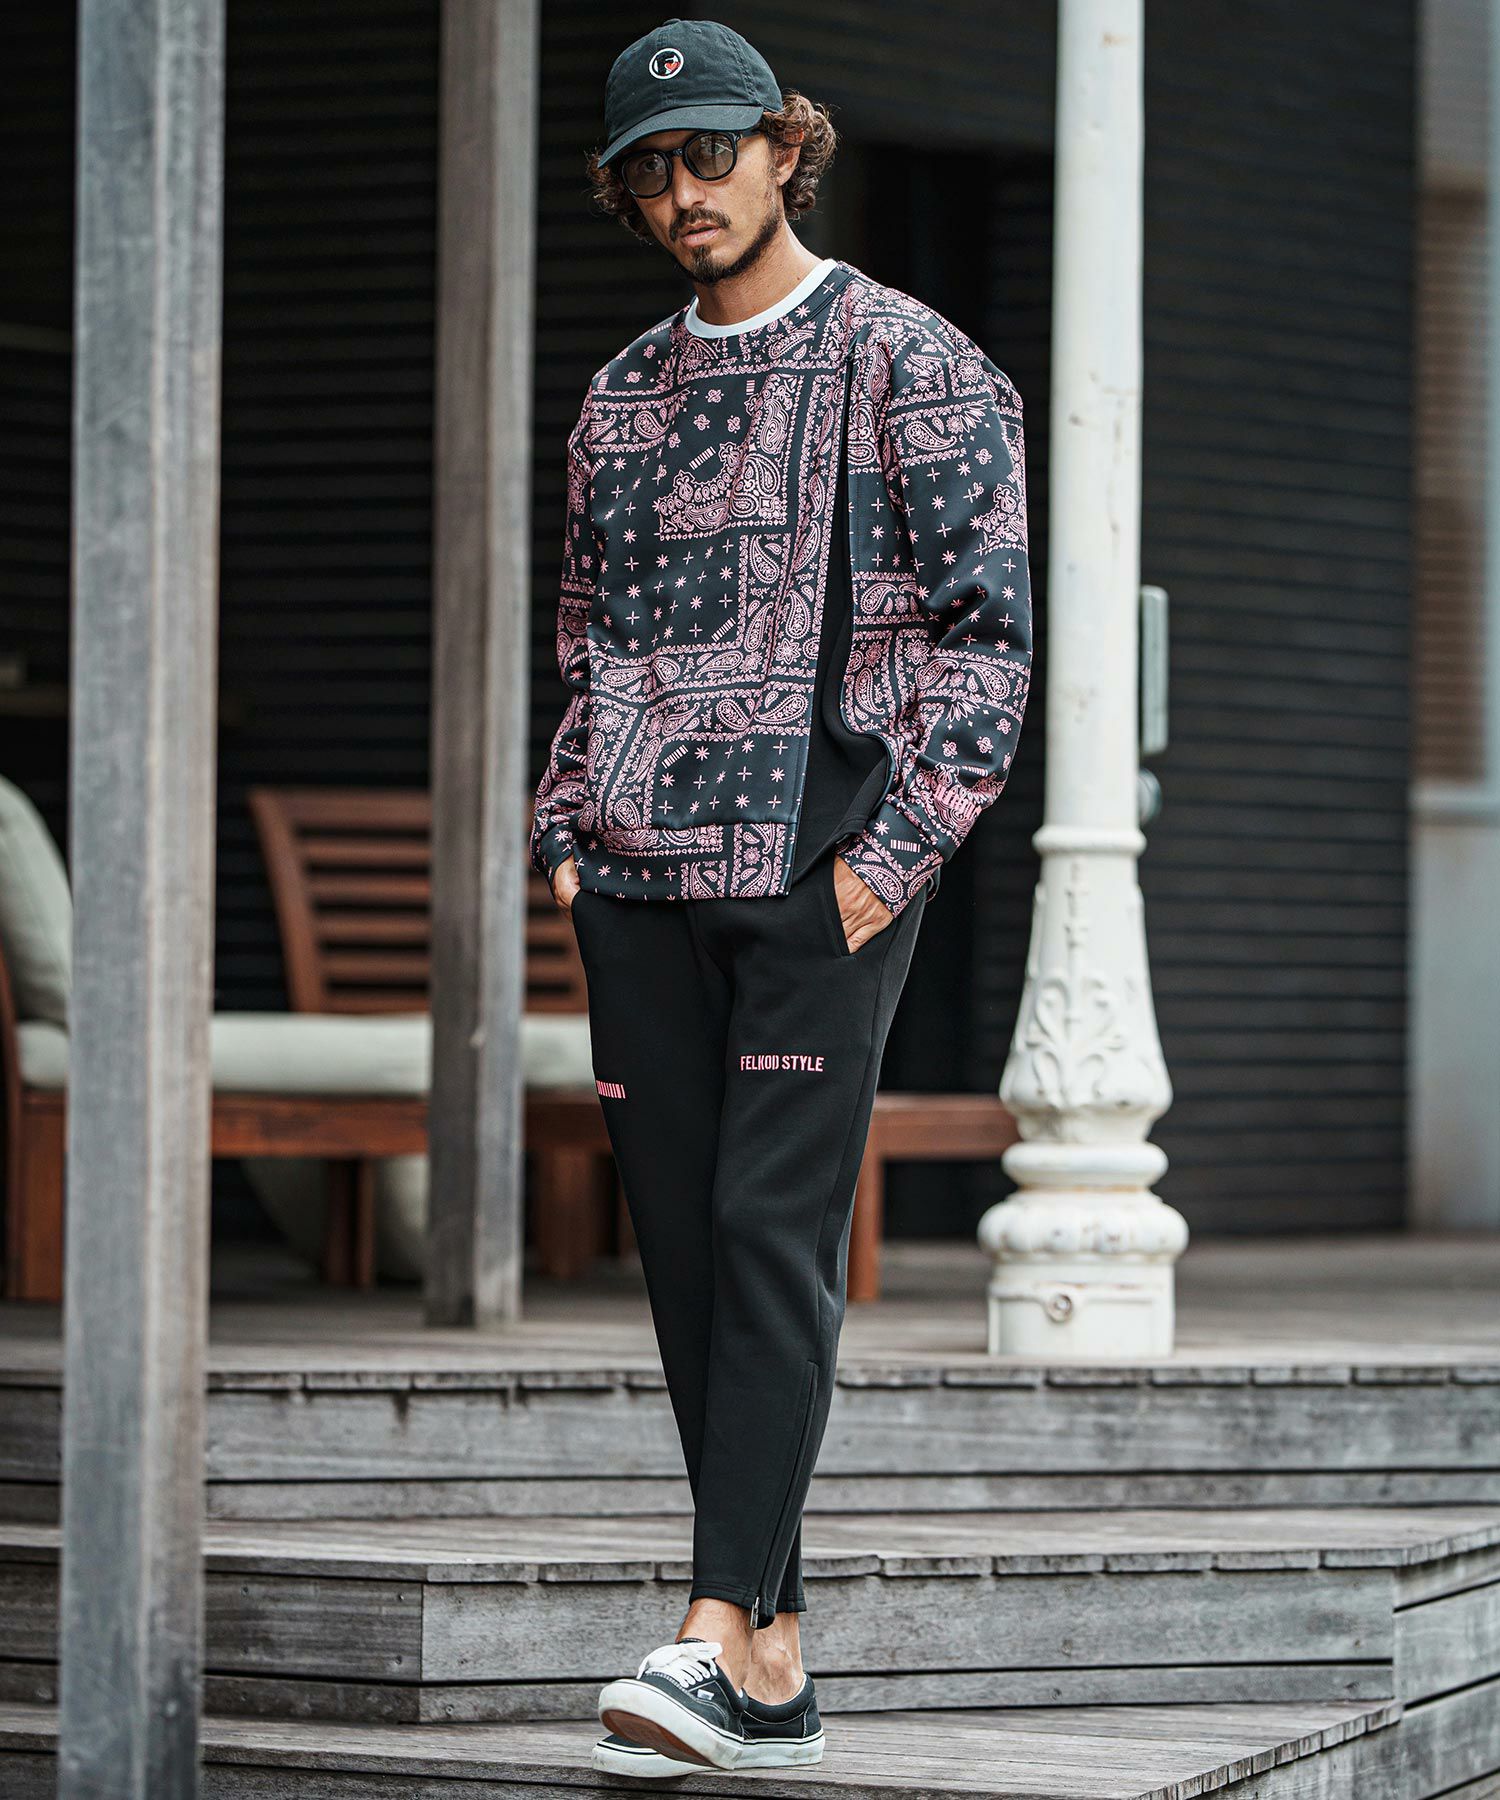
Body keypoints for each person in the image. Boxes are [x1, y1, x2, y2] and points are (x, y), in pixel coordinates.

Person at [528, 16, 1033, 1779]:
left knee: (767, 1233)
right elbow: (587, 636)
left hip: (824, 882)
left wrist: (891, 861)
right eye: (654, 170)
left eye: (715, 153)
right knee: (688, 1255)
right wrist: (567, 828)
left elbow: (988, 642)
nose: (688, 190)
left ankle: (699, 1629)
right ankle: (774, 1666)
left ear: (783, 149)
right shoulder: (619, 397)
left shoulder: (916, 358)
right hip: (637, 881)